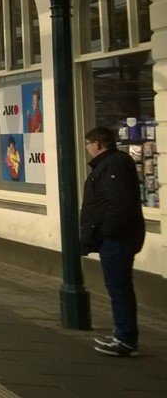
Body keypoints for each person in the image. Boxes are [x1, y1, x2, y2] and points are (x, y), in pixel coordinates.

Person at [80, 126, 145, 357]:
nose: (87, 148)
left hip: (117, 239)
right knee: (118, 288)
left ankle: (125, 339)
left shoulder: (112, 165)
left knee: (119, 289)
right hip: (117, 237)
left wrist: (106, 232)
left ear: (97, 144)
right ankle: (123, 334)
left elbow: (117, 203)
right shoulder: (113, 163)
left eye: (88, 144)